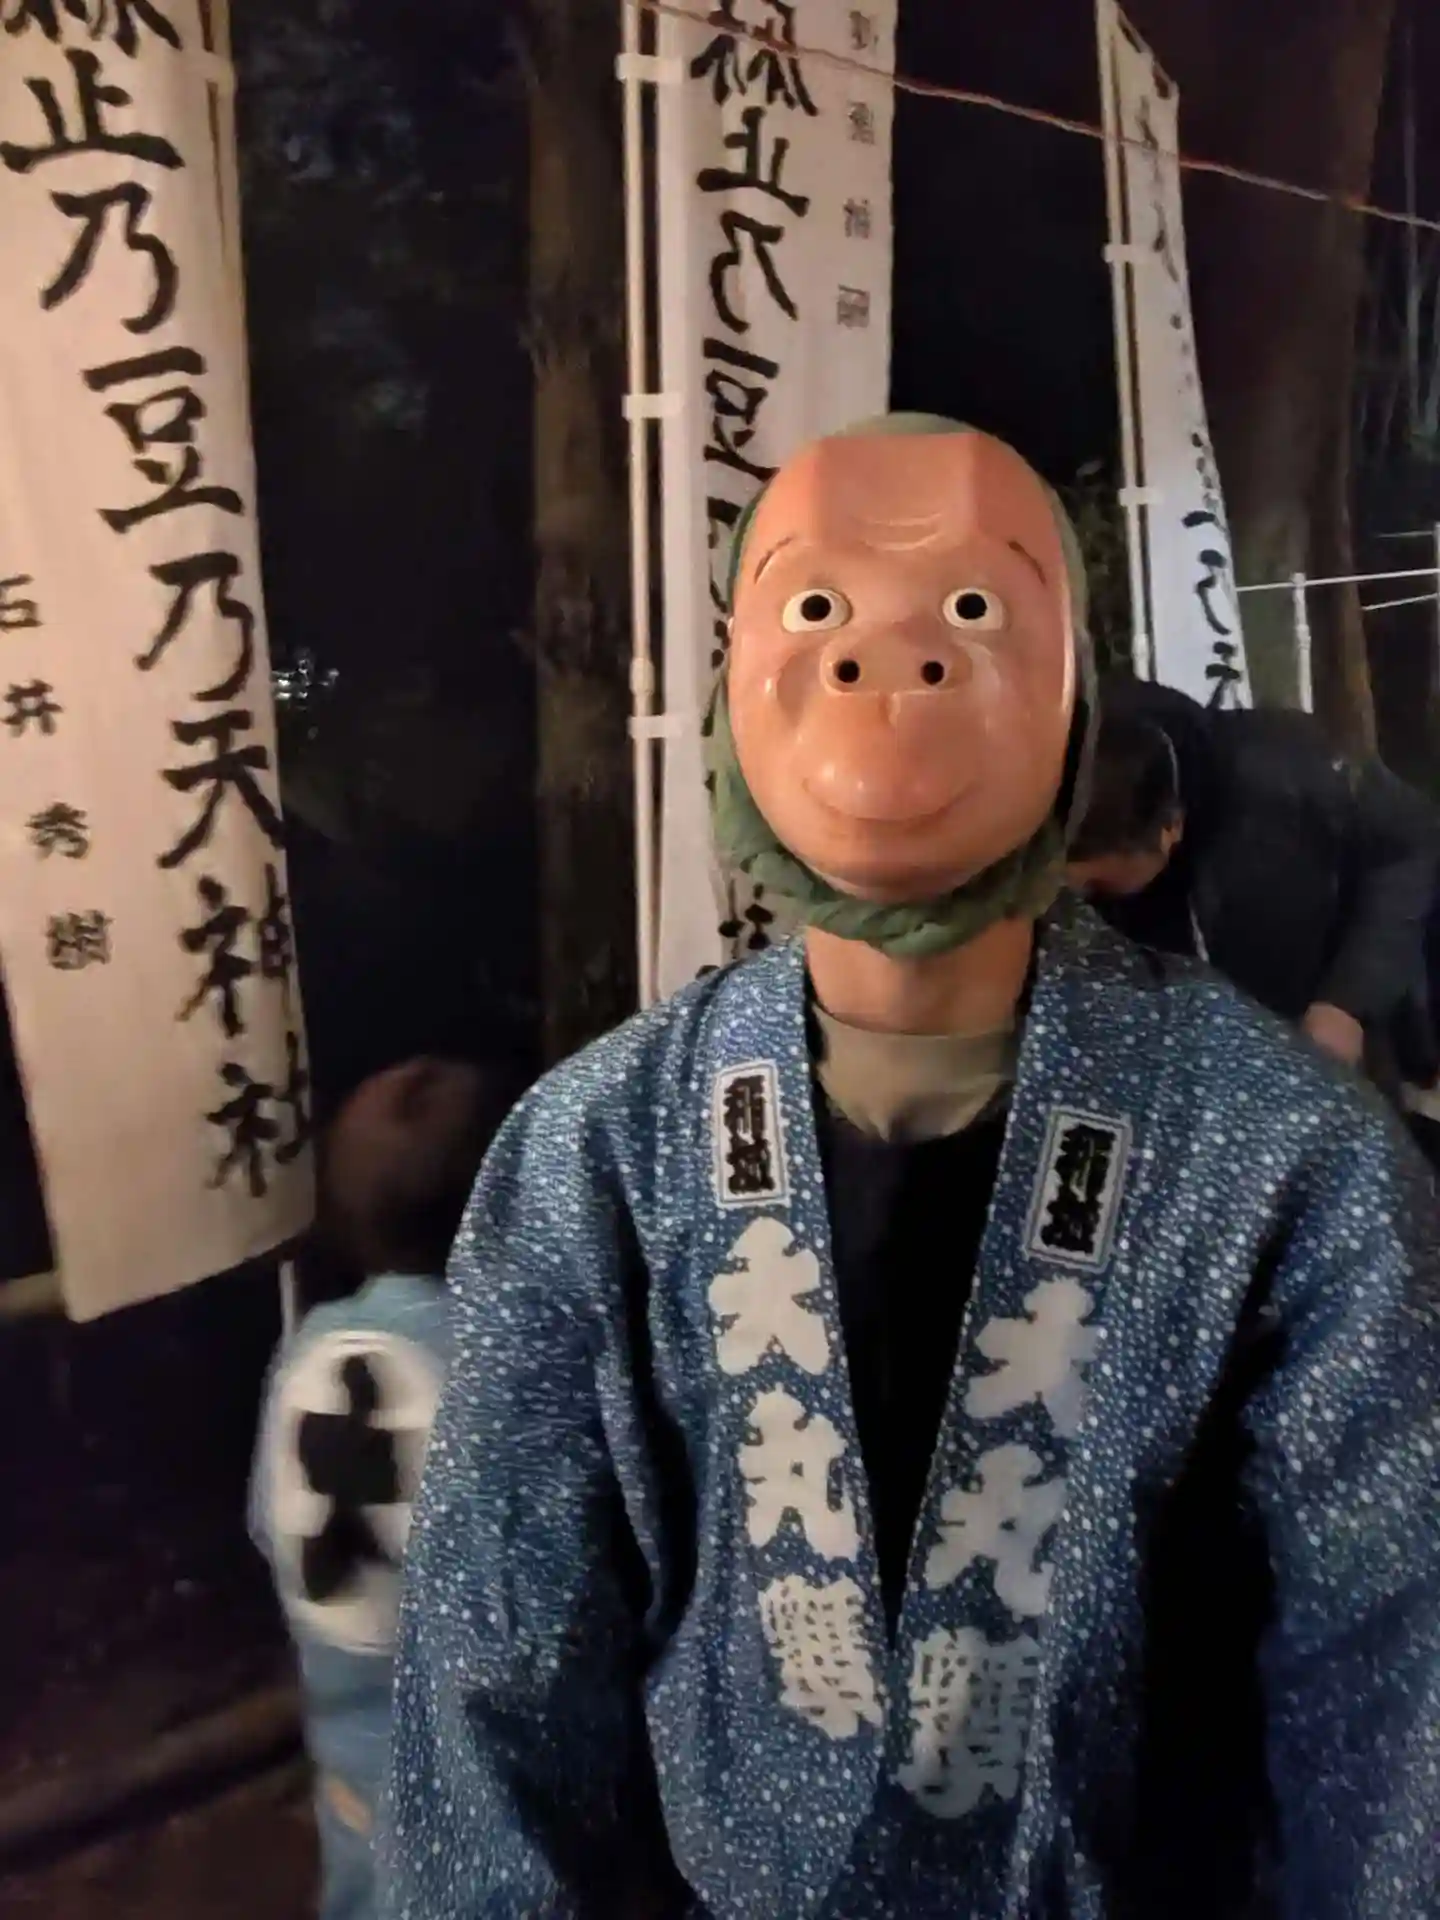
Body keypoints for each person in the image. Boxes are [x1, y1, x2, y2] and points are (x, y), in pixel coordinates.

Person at [383, 416, 1440, 1918]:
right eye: (817, 605)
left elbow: (1392, 1715)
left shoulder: (1295, 1161)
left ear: (1073, 696)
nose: (892, 661)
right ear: (732, 689)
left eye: (973, 607)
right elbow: (494, 1704)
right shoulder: (597, 1150)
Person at [250, 1056, 520, 1920]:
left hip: (352, 1780)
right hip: (485, 1812)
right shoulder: (501, 1362)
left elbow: (268, 1527)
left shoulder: (310, 1352)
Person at [1067, 678, 1440, 1073]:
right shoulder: (1065, 767)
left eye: (1096, 888)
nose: (1082, 903)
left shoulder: (1294, 766)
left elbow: (1409, 847)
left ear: (1169, 830)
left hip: (1329, 1031)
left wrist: (1347, 1001)